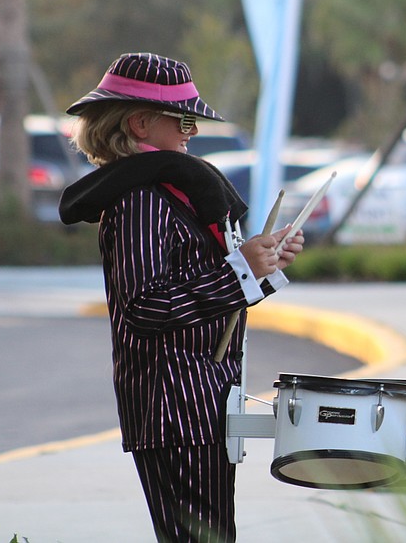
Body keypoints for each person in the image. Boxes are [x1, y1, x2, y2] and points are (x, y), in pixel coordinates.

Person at [58, 52, 304, 542]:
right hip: (176, 408)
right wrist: (240, 272)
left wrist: (262, 265)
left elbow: (196, 290)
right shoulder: (140, 201)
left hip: (196, 402)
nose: (192, 132)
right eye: (184, 121)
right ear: (140, 123)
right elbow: (145, 307)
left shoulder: (162, 191)